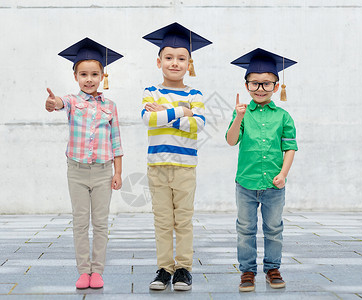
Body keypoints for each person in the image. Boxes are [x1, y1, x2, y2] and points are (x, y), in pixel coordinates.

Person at [45, 37, 124, 289]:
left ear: (103, 75)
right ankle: (83, 271)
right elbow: (58, 104)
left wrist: (118, 173)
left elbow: (117, 142)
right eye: (83, 74)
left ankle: (97, 270)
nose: (88, 79)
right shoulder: (71, 101)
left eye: (94, 74)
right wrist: (52, 103)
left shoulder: (110, 106)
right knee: (80, 222)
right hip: (77, 172)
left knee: (100, 223)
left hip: (102, 172)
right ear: (75, 76)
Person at [141, 22, 212, 291]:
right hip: (157, 165)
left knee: (183, 219)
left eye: (181, 58)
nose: (175, 63)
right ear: (158, 61)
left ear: (189, 63)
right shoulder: (151, 91)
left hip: (184, 167)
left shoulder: (195, 94)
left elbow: (200, 125)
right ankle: (163, 268)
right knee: (162, 220)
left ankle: (183, 268)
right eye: (168, 58)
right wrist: (183, 112)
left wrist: (166, 112)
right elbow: (149, 119)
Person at [226, 48, 298, 292]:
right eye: (254, 84)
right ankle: (247, 271)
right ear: (247, 85)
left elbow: (290, 148)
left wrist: (283, 174)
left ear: (276, 87)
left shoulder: (283, 116)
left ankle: (272, 268)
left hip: (274, 184)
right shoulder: (243, 114)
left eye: (266, 84)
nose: (260, 89)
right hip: (246, 183)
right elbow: (231, 140)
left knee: (274, 228)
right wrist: (238, 117)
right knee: (245, 229)